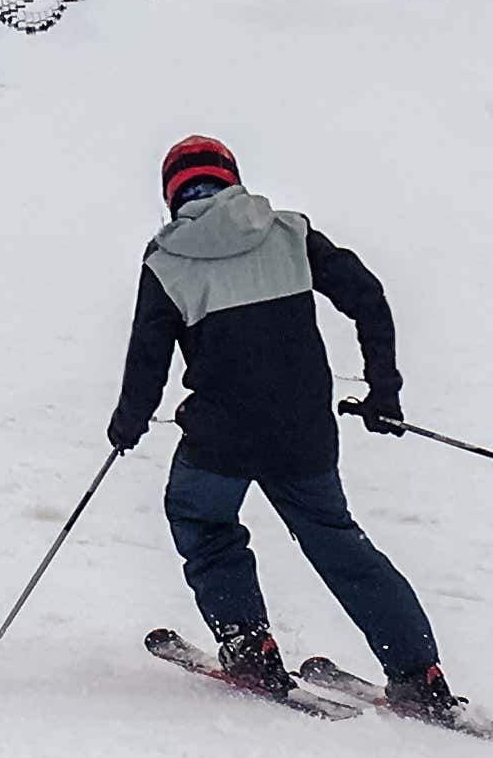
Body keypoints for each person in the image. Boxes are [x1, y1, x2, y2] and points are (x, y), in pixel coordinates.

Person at [109, 136, 461, 719]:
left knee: (202, 518)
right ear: (233, 180)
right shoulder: (289, 233)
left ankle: (249, 644)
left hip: (220, 440)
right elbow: (367, 296)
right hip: (303, 432)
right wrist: (384, 389)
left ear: (173, 193)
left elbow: (147, 359)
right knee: (336, 541)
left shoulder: (167, 260)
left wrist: (128, 424)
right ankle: (416, 673)